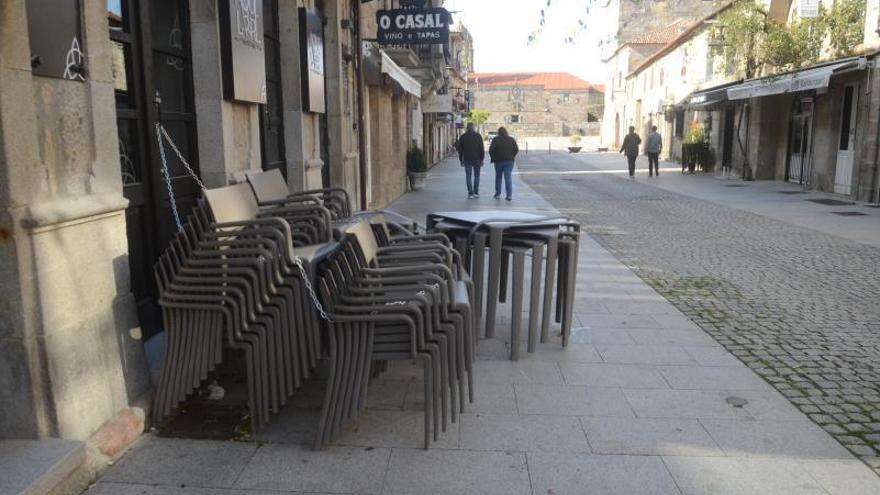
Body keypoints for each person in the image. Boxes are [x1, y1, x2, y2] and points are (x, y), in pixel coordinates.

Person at [489, 127, 519, 201]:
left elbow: (491, 150)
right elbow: (516, 149)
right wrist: (512, 156)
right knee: (508, 178)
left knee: (498, 178)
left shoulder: (496, 139)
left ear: (498, 132)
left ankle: (497, 194)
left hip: (498, 161)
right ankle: (509, 195)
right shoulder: (511, 139)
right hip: (509, 161)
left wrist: (493, 157)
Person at [457, 123, 485, 199]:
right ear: (473, 128)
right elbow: (481, 149)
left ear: (467, 128)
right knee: (477, 176)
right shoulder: (478, 136)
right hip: (477, 159)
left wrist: (461, 160)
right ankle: (476, 192)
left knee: (468, 176)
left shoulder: (463, 137)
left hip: (467, 159)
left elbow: (460, 150)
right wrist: (482, 159)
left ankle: (470, 193)